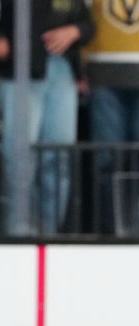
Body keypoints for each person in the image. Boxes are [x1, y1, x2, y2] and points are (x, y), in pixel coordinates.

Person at [0, 0, 93, 235]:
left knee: (58, 157)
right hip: (20, 70)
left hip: (63, 69)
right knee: (19, 157)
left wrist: (75, 31)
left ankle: (51, 233)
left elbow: (88, 23)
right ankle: (19, 232)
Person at [86, 0, 139, 234]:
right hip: (103, 74)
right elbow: (81, 17)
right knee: (108, 160)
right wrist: (81, 65)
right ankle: (112, 230)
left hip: (104, 74)